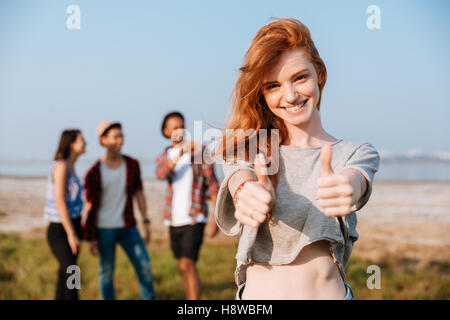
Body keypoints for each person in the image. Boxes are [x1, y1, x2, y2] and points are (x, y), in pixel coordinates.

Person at [213, 18, 380, 300]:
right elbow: (239, 179)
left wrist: (346, 188)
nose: (290, 96)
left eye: (300, 77)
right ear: (262, 94)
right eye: (273, 86)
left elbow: (356, 179)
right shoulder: (248, 149)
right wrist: (246, 193)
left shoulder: (355, 152)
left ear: (320, 75)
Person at [83, 121, 155, 300]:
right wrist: (91, 236)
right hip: (104, 228)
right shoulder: (93, 172)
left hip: (128, 226)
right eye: (115, 137)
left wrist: (146, 222)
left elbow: (139, 194)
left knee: (144, 266)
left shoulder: (132, 164)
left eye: (121, 136)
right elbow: (90, 206)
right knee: (106, 273)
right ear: (103, 141)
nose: (120, 140)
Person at [155, 111, 219, 300]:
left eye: (181, 126)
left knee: (187, 263)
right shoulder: (165, 156)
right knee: (182, 265)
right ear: (166, 132)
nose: (179, 131)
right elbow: (161, 173)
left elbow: (213, 186)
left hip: (195, 216)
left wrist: (215, 219)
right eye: (174, 128)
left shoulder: (200, 152)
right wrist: (180, 153)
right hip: (173, 219)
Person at [44, 129, 86, 300]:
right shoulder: (61, 167)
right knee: (71, 271)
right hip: (61, 229)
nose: (85, 143)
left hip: (74, 224)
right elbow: (60, 201)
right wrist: (71, 234)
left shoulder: (72, 167)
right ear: (71, 144)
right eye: (81, 140)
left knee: (66, 272)